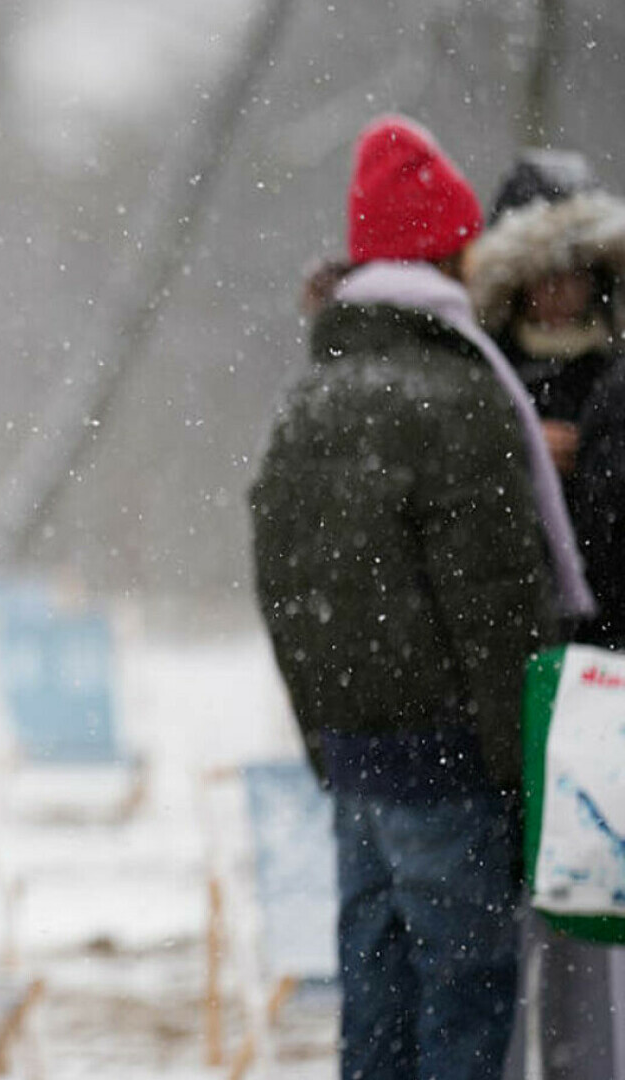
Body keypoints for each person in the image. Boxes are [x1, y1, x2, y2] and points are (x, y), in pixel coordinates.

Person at [249, 116, 580, 1080]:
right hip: (451, 764)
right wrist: (522, 773)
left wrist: (327, 741)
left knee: (379, 998)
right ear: (452, 250)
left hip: (358, 765)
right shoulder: (459, 391)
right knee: (466, 1000)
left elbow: (284, 590)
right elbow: (498, 610)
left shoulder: (315, 393)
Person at [464, 148, 625, 1080]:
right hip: (506, 684)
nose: (560, 293)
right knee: (498, 924)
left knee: (585, 918)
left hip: (594, 678)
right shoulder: (480, 379)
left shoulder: (614, 381)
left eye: (576, 272)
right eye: (543, 275)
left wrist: (594, 467)